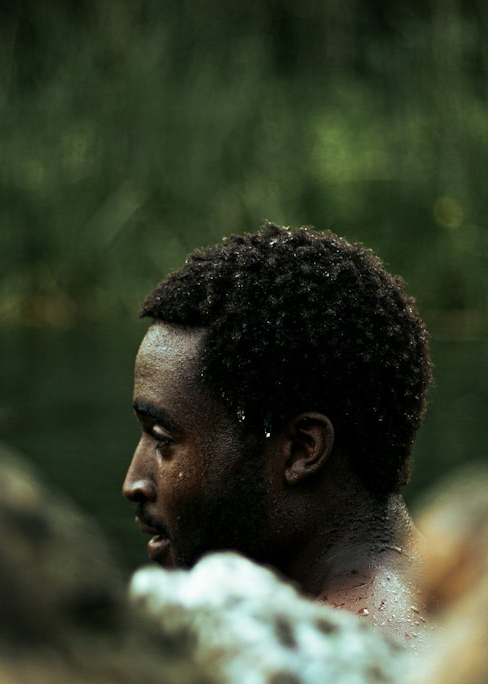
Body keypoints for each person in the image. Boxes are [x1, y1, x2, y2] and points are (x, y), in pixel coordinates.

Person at [122, 224, 432, 643]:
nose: (133, 483)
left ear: (301, 450)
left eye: (162, 439)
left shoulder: (322, 668)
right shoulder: (475, 609)